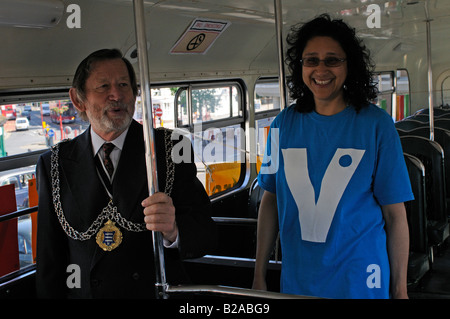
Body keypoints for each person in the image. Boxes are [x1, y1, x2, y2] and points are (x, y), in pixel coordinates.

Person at [252, 14, 413, 299]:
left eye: (332, 60)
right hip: (300, 277)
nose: (321, 69)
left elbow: (395, 215)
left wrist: (400, 291)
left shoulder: (376, 125)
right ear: (300, 67)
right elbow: (271, 201)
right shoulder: (280, 126)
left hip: (362, 276)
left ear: (349, 65)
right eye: (311, 60)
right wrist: (259, 275)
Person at [36, 49, 217, 298]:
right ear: (78, 99)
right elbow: (50, 261)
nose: (117, 95)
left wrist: (174, 230)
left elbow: (206, 234)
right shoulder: (54, 164)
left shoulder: (171, 148)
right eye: (103, 86)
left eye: (124, 84)